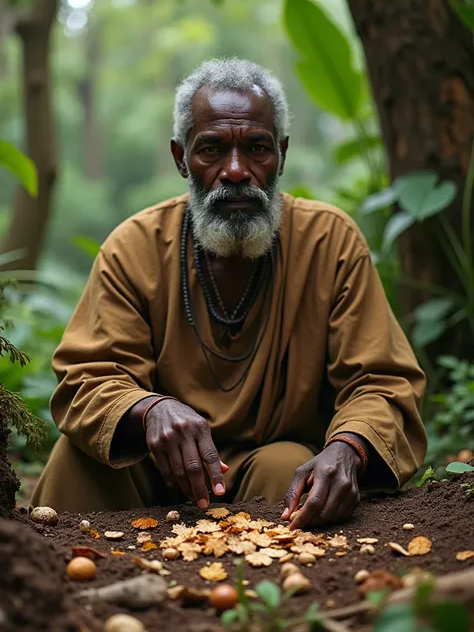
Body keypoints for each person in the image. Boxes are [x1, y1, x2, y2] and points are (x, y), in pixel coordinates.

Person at [32, 58, 427, 528]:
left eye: (256, 148)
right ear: (181, 158)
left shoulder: (329, 241)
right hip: (151, 468)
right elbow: (87, 380)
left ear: (280, 153)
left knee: (286, 465)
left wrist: (350, 447)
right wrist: (148, 409)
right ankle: (63, 592)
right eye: (212, 149)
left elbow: (382, 381)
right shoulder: (134, 247)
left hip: (275, 474)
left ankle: (283, 596)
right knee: (76, 459)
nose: (236, 171)